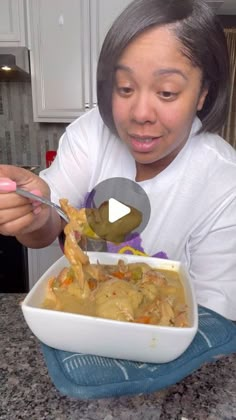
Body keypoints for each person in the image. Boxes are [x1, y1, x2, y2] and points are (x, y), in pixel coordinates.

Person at [0, 0, 235, 320]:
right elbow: (46, 225)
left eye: (167, 92)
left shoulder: (224, 181)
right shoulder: (90, 132)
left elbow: (213, 315)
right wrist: (34, 214)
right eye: (124, 87)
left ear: (203, 93)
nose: (139, 114)